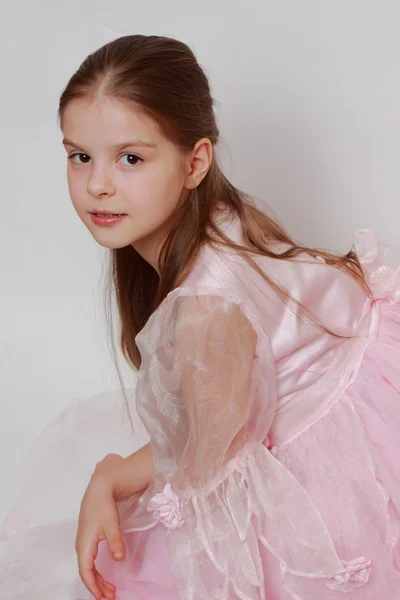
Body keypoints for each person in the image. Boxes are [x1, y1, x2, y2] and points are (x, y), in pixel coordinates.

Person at [1, 34, 400, 600]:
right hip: (342, 395)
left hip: (337, 458)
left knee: (138, 560)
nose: (97, 184)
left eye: (131, 158)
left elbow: (208, 464)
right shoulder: (224, 215)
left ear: (195, 162)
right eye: (79, 156)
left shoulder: (206, 311)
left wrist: (113, 472)